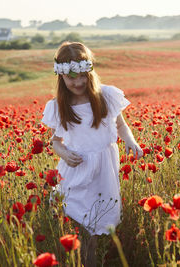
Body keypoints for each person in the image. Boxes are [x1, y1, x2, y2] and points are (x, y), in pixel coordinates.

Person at [41, 42, 143, 266]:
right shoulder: (59, 106)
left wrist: (130, 141)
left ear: (90, 72)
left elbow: (121, 126)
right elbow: (55, 142)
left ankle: (91, 260)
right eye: (71, 78)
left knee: (96, 224)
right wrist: (65, 154)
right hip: (76, 168)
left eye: (82, 76)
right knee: (76, 220)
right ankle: (79, 258)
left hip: (103, 170)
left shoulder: (106, 96)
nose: (77, 83)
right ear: (61, 77)